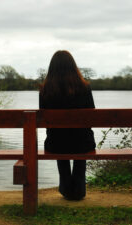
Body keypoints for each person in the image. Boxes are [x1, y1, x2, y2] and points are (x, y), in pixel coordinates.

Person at [39, 50, 96, 200]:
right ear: (73, 67)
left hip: (55, 144)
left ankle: (65, 185)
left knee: (59, 137)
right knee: (80, 139)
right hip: (83, 143)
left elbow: (45, 120)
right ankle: (78, 189)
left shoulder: (45, 91)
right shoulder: (85, 88)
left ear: (52, 68)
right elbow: (92, 116)